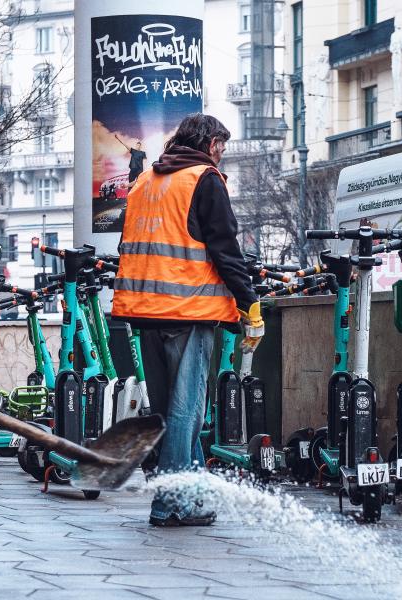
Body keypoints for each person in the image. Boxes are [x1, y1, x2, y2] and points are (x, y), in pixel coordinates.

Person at [112, 114, 263, 527]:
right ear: (211, 143)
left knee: (171, 413)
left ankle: (191, 498)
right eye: (223, 146)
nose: (223, 154)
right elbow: (225, 249)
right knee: (186, 414)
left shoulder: (145, 181)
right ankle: (169, 503)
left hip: (144, 313)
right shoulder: (204, 179)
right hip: (187, 312)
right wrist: (249, 303)